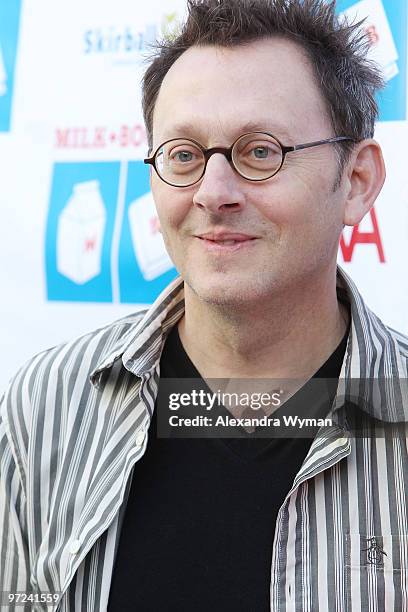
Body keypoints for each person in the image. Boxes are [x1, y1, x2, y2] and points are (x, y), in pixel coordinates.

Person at [1, 0, 408, 610]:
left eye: (261, 151)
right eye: (185, 156)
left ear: (355, 182)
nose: (213, 194)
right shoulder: (47, 404)